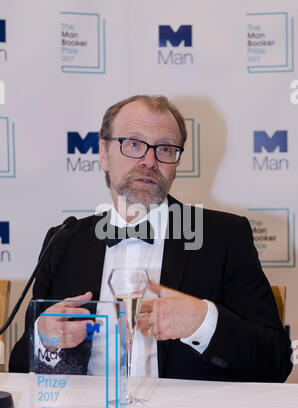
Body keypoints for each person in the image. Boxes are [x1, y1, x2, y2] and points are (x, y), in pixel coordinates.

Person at [9, 95, 292, 382]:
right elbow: (20, 370)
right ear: (104, 154)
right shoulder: (64, 241)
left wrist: (202, 322)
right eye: (133, 144)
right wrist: (45, 341)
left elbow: (276, 363)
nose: (149, 160)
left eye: (166, 148)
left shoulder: (225, 238)